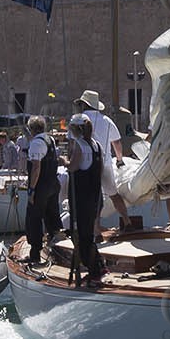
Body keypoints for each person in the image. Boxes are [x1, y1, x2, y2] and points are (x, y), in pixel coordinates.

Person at [74, 90, 131, 228]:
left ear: (84, 105)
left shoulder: (78, 120)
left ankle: (96, 227)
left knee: (92, 197)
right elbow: (116, 142)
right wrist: (119, 159)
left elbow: (73, 144)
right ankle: (127, 221)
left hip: (86, 166)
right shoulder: (107, 120)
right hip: (105, 163)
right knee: (114, 194)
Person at [66, 113, 106, 285]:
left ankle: (94, 269)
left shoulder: (80, 145)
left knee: (83, 236)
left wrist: (64, 161)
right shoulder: (96, 145)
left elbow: (73, 167)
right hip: (95, 195)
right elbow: (100, 169)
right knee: (88, 233)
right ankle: (98, 264)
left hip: (81, 197)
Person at [24, 115, 62, 263]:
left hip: (41, 186)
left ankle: (35, 255)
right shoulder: (49, 139)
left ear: (31, 129)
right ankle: (57, 251)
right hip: (53, 183)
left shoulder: (36, 143)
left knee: (33, 218)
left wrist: (31, 190)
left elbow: (36, 167)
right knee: (52, 216)